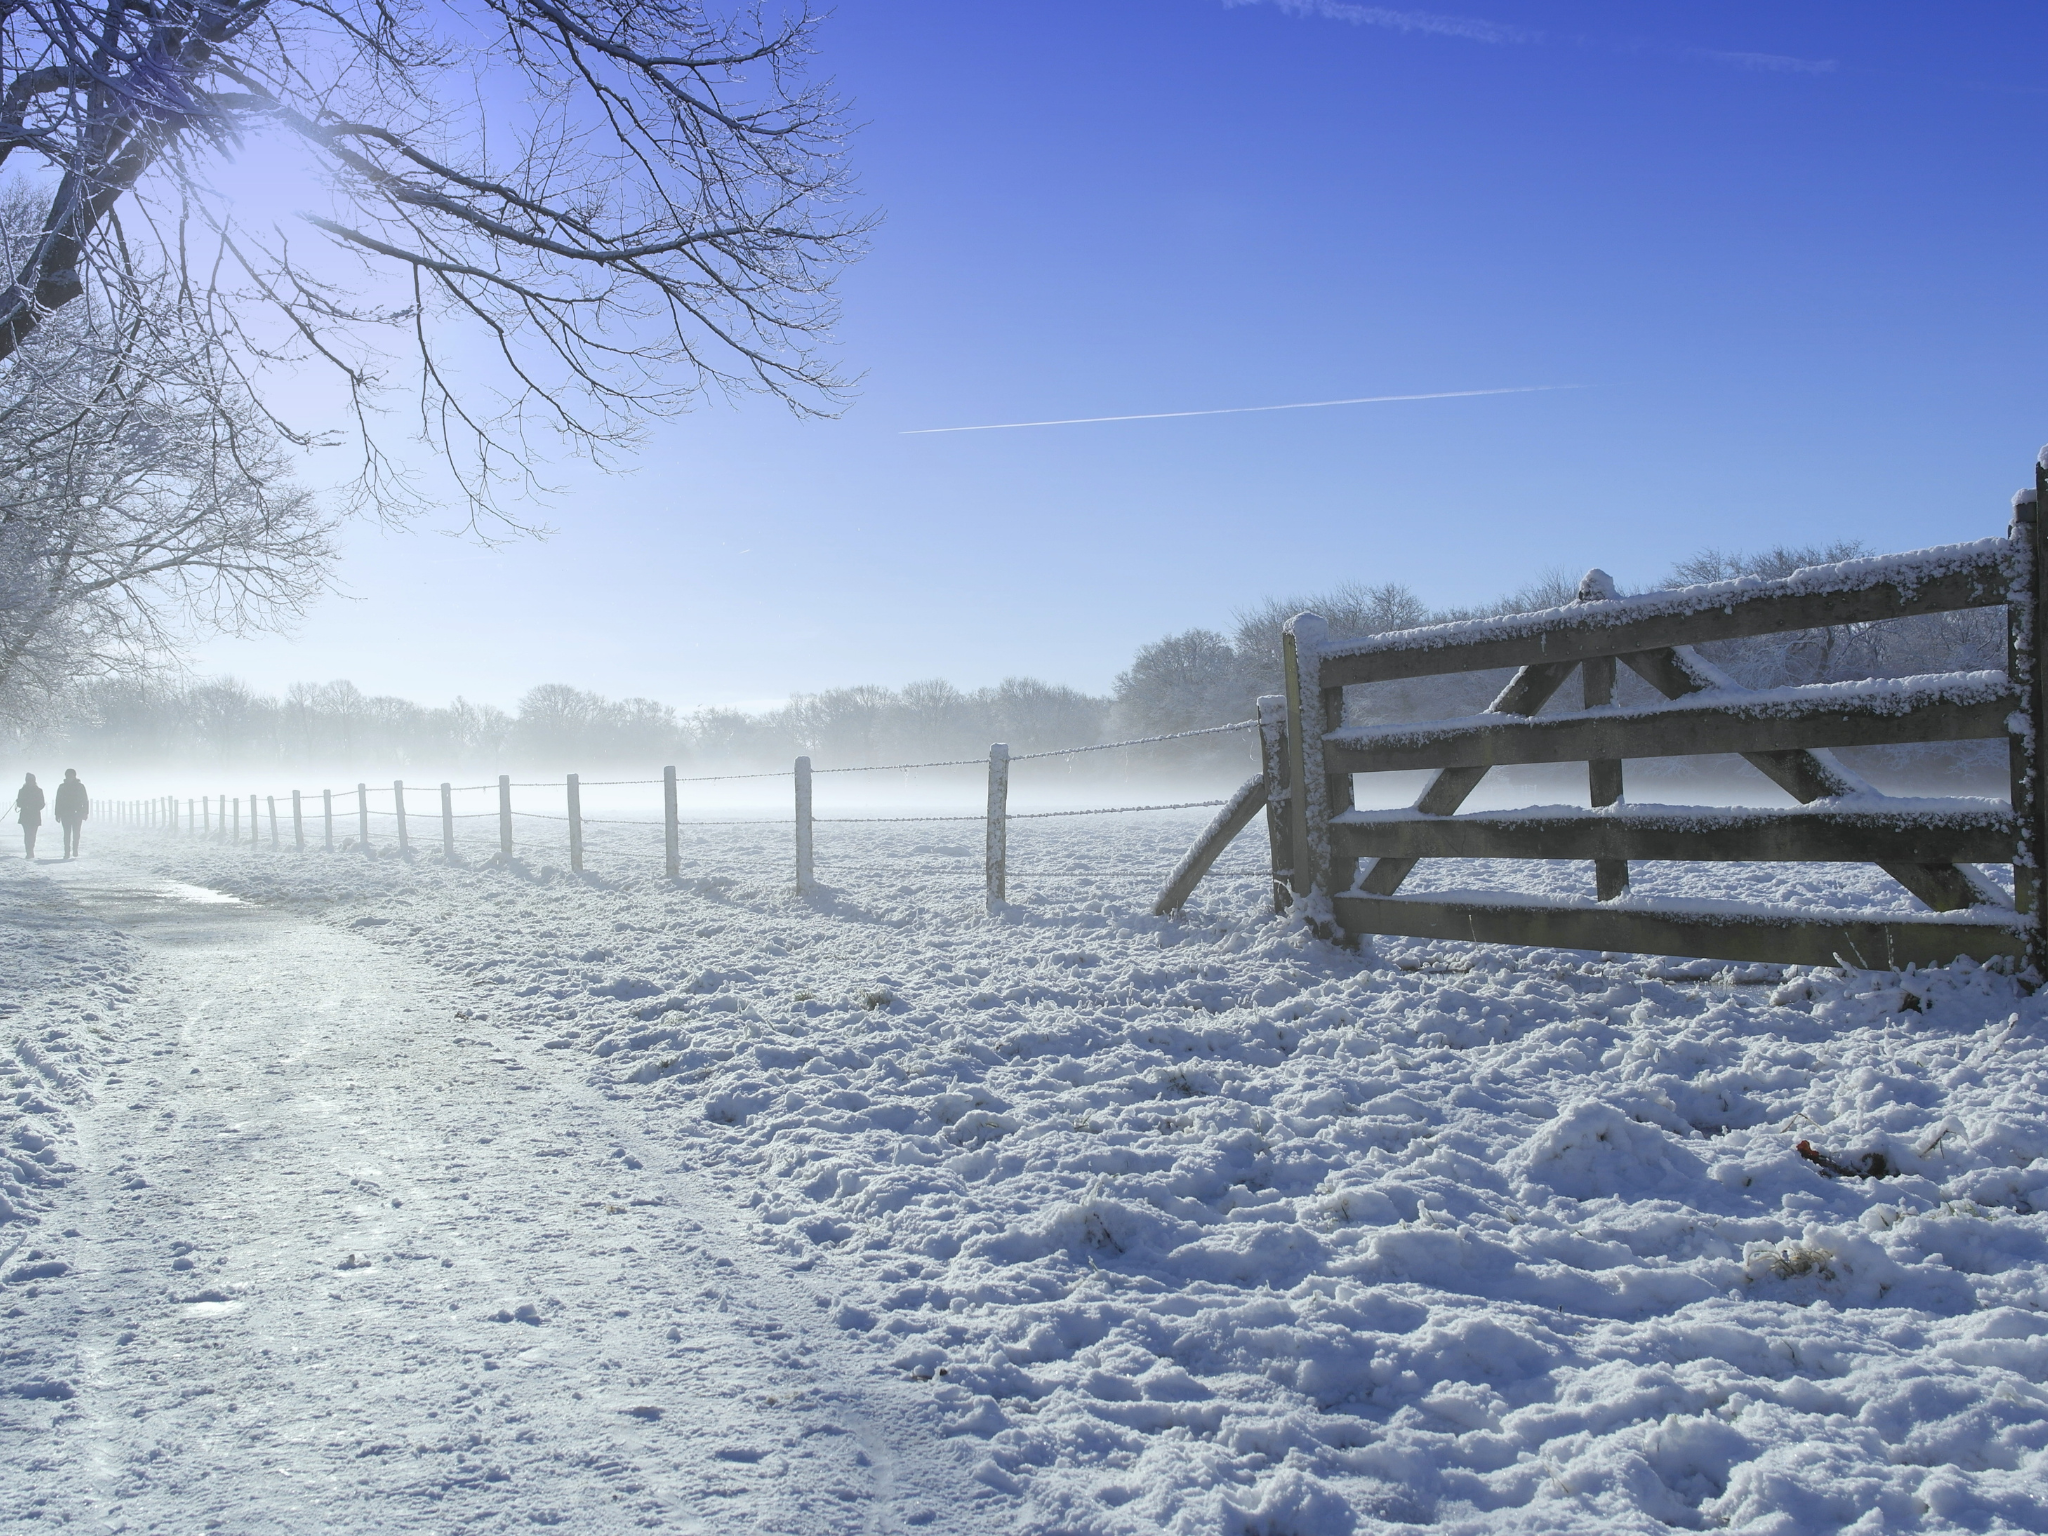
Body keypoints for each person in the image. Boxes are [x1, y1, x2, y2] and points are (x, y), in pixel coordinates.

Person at [53, 769, 88, 859]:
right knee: (66, 833)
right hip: (65, 813)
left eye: (71, 775)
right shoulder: (62, 787)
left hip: (77, 813)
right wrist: (57, 813)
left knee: (76, 833)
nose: (69, 777)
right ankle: (67, 851)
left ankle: (75, 849)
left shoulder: (80, 787)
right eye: (67, 775)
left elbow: (85, 800)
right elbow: (58, 801)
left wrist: (85, 812)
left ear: (74, 776)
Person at [14, 772, 43, 859]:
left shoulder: (38, 791)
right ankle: (29, 851)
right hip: (26, 816)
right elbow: (19, 803)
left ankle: (30, 850)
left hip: (33, 815)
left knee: (32, 834)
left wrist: (33, 807)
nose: (30, 782)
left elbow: (42, 803)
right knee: (28, 834)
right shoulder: (22, 791)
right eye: (28, 780)